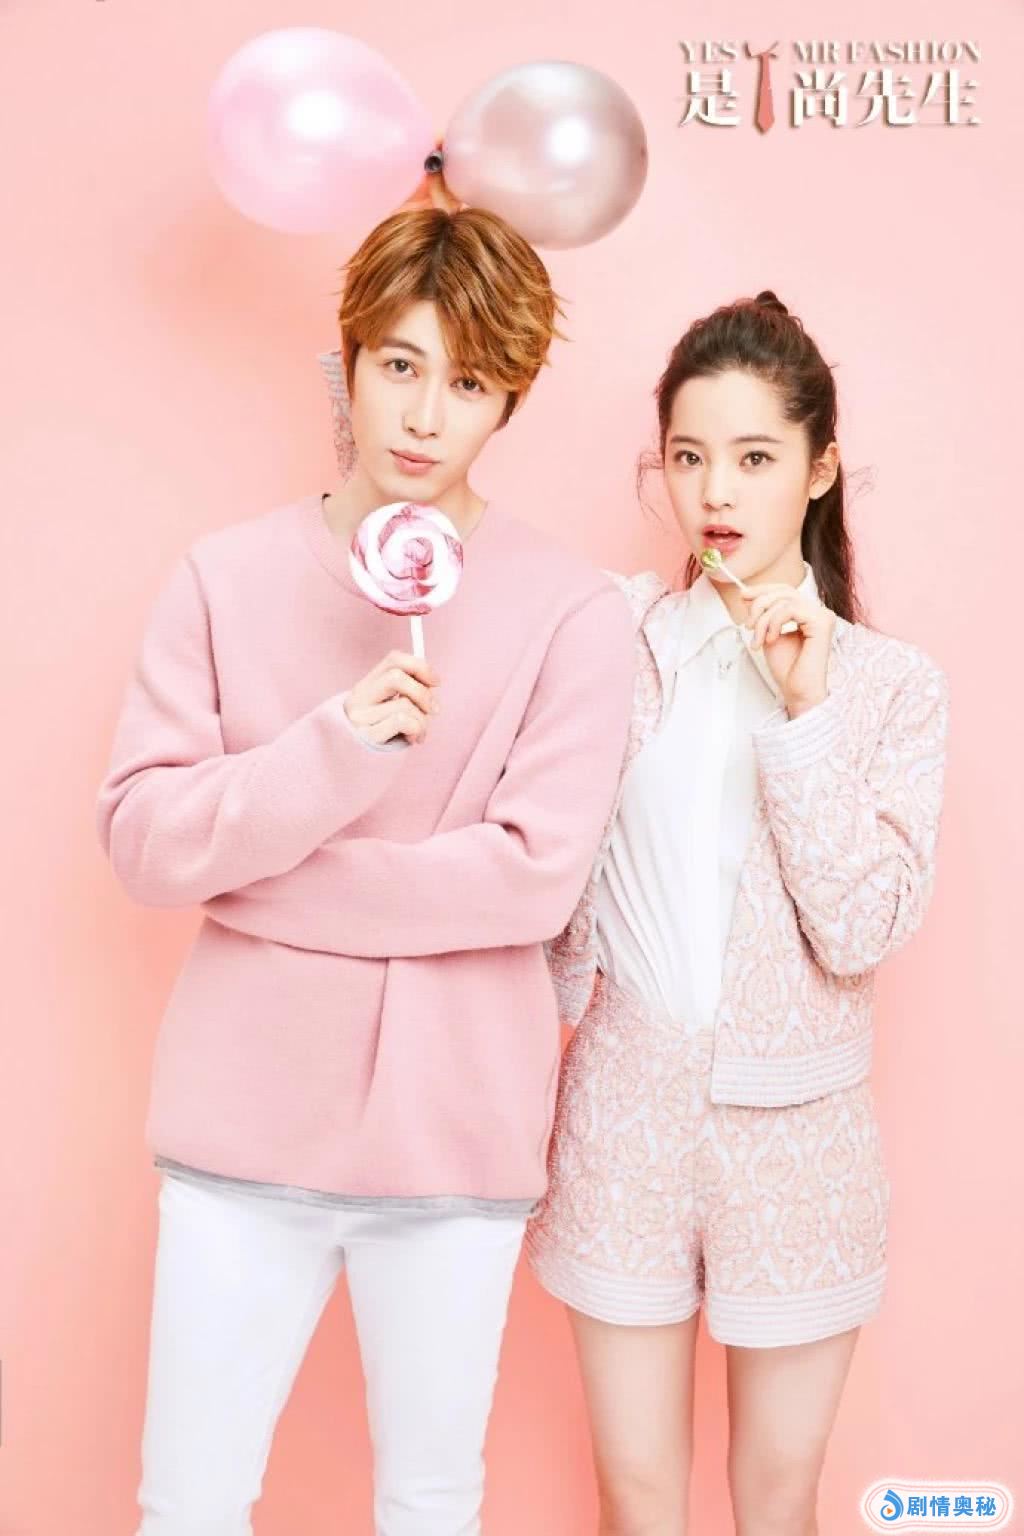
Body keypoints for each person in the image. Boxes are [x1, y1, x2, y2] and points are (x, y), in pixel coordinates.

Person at [96, 176, 636, 1536]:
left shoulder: (572, 611)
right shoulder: (221, 578)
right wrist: (331, 753)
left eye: (468, 383)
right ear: (346, 360)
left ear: (508, 402)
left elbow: (531, 880)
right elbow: (146, 841)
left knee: (430, 1504)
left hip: (454, 1144)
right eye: (400, 365)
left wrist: (260, 884)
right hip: (240, 1135)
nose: (424, 414)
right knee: (190, 1502)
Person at [524, 290, 950, 1536]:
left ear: (819, 469)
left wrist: (805, 714)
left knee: (775, 1497)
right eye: (688, 456)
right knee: (636, 1497)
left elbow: (861, 930)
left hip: (801, 1140)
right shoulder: (611, 643)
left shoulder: (890, 689)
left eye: (755, 458)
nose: (715, 491)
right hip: (621, 1120)